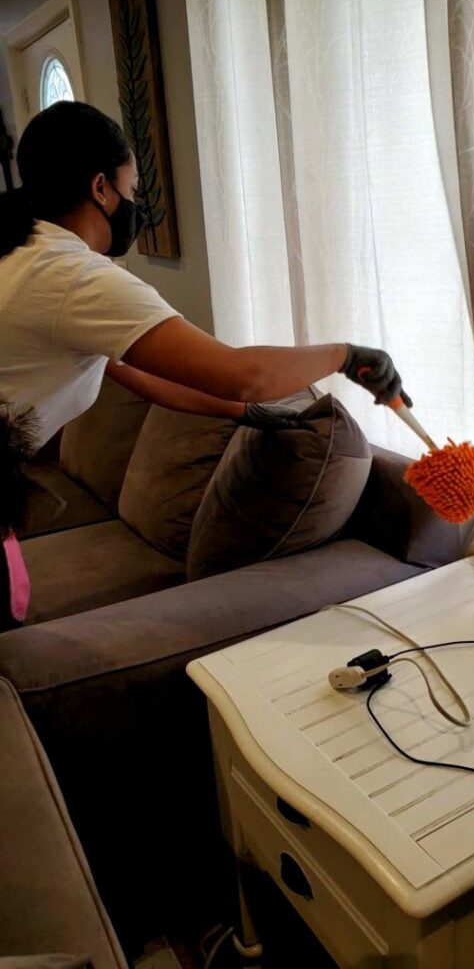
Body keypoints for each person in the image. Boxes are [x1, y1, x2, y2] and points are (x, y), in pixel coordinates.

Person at [0, 100, 411, 628]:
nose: (136, 205)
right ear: (100, 188)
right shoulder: (72, 276)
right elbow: (242, 374)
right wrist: (346, 355)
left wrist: (245, 414)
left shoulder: (25, 252)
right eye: (132, 189)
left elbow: (141, 376)